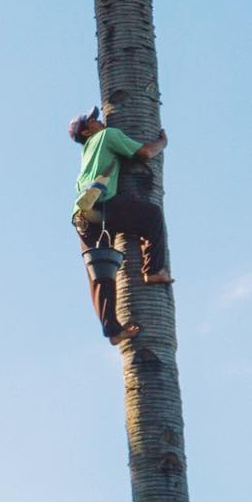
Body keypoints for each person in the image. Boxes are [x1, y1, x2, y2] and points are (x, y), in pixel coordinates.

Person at [69, 106, 173, 345]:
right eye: (93, 120)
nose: (100, 120)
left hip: (82, 216)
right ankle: (154, 270)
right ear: (86, 132)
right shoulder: (107, 136)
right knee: (152, 216)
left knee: (101, 271)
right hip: (104, 206)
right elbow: (145, 153)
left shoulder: (86, 153)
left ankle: (113, 330)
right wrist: (162, 143)